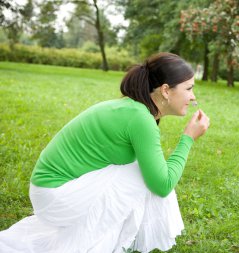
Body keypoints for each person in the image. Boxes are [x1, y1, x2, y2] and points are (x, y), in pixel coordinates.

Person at [0, 52, 210, 253]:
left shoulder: (136, 110)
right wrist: (188, 138)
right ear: (166, 90)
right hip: (54, 196)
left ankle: (110, 239)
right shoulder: (140, 118)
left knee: (143, 172)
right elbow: (162, 184)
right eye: (189, 88)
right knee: (142, 176)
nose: (193, 97)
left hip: (48, 193)